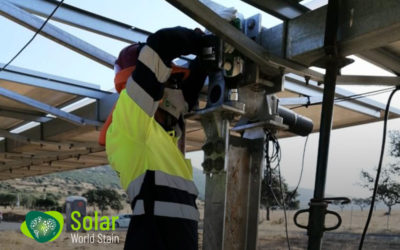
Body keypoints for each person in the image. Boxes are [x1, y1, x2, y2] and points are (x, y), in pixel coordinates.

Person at [100, 26, 209, 250]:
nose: (176, 90)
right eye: (172, 82)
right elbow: (161, 44)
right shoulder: (129, 126)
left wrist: (205, 60)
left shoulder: (160, 137)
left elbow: (182, 99)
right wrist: (202, 39)